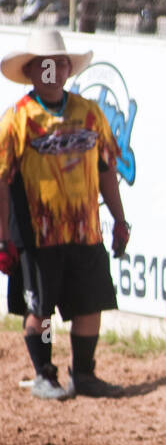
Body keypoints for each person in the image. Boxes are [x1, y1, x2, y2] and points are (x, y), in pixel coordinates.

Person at [0, 29, 128, 400]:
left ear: (67, 68)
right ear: (33, 72)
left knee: (91, 302)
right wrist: (4, 237)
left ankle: (84, 374)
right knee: (39, 307)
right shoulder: (17, 120)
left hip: (85, 230)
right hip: (37, 233)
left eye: (58, 64)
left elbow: (106, 168)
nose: (52, 71)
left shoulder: (89, 114)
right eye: (44, 65)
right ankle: (44, 373)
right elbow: (3, 182)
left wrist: (119, 220)